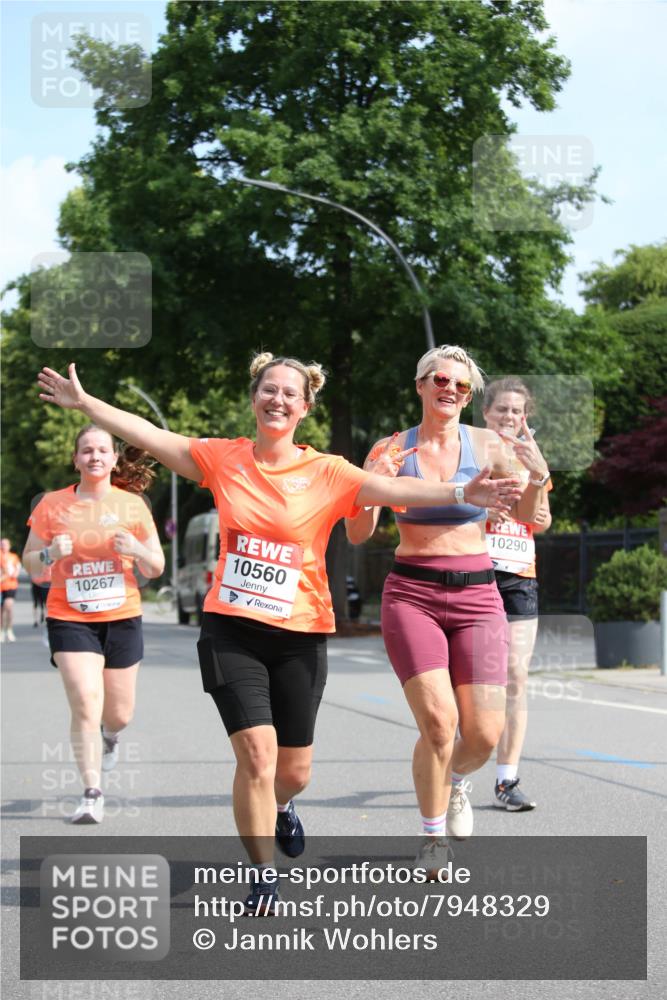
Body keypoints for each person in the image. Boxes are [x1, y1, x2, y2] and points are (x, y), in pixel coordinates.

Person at [37, 354, 522, 909]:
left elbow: (397, 494)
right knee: (257, 758)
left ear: (305, 407)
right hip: (231, 629)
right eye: (269, 390)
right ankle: (263, 872)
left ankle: (285, 805)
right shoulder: (223, 459)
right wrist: (88, 404)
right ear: (255, 397)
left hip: (298, 633)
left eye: (290, 394)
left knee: (293, 772)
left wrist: (465, 494)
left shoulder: (329, 471)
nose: (278, 400)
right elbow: (151, 433)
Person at [345, 346, 550, 873]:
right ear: (420, 384)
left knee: (482, 732)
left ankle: (456, 780)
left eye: (462, 386)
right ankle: (433, 836)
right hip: (412, 594)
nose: (451, 390)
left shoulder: (487, 445)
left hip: (480, 595)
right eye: (441, 379)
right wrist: (370, 488)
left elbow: (527, 515)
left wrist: (536, 476)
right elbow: (356, 531)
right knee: (439, 723)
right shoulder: (392, 448)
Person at [22, 426, 165, 824]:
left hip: (121, 616)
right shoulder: (52, 505)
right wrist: (49, 552)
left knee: (119, 713)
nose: (95, 456)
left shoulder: (133, 505)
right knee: (85, 701)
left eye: (103, 450)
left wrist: (136, 549)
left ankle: (111, 735)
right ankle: (92, 792)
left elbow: (156, 565)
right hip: (70, 616)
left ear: (115, 459)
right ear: (76, 459)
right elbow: (30, 565)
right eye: (87, 451)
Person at [482, 377, 552, 811]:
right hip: (476, 572)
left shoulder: (532, 457)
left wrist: (537, 478)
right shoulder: (470, 452)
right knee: (470, 683)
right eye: (502, 410)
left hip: (520, 577)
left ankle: (507, 780)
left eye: (516, 411)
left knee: (515, 677)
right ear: (486, 413)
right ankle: (457, 761)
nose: (509, 417)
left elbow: (542, 521)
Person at [1, 538, 22, 642]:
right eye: (2, 544)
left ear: (9, 546)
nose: (3, 546)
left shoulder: (13, 557)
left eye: (5, 544)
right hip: (1, 587)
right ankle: (1, 631)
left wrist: (15, 573)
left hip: (11, 585)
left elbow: (17, 568)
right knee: (1, 610)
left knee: (8, 606)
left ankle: (9, 629)